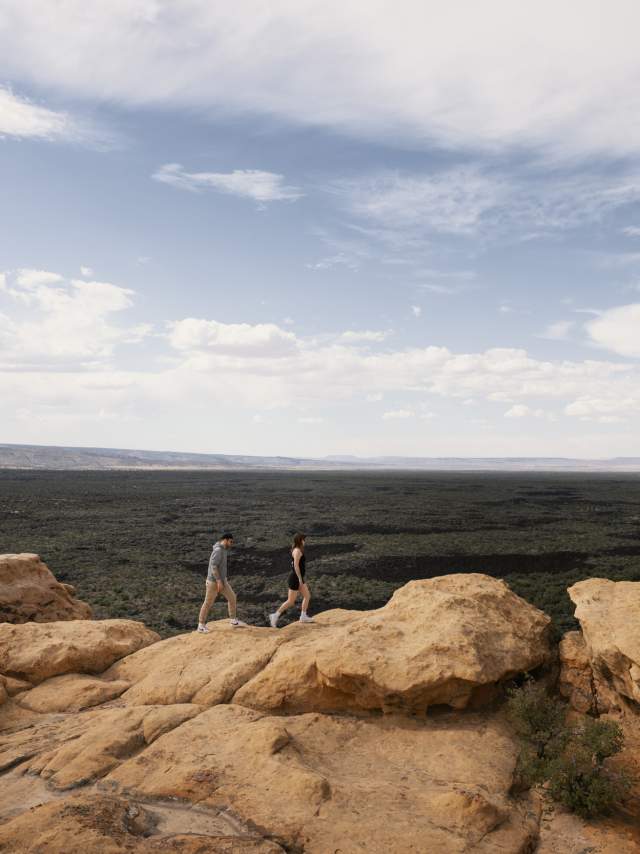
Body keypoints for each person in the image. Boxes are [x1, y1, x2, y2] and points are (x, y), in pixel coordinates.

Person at [197, 531, 242, 631]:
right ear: (225, 540)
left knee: (232, 598)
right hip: (213, 582)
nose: (231, 544)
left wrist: (222, 580)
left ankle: (233, 619)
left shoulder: (224, 549)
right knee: (208, 603)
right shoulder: (218, 550)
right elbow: (213, 566)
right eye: (230, 541)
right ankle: (200, 625)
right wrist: (218, 581)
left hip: (222, 581)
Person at [269, 532, 314, 627]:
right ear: (300, 540)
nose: (304, 541)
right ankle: (275, 615)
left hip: (298, 578)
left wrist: (300, 578)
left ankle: (303, 616)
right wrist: (299, 579)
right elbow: (296, 566)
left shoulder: (297, 549)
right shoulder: (297, 551)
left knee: (307, 596)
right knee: (290, 601)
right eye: (303, 539)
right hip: (295, 578)